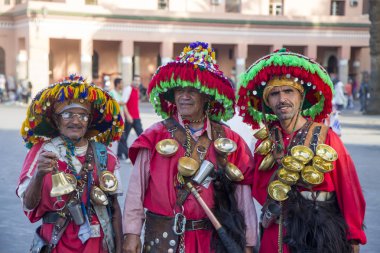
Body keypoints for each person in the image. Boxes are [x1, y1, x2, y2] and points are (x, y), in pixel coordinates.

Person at [122, 41, 257, 253]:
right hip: (162, 239)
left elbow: (242, 196)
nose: (184, 96)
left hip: (212, 241)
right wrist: (131, 233)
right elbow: (135, 189)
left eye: (192, 90)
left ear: (206, 95)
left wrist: (249, 242)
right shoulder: (154, 136)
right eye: (180, 90)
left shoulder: (229, 140)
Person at [237, 49, 366, 253]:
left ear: (301, 96)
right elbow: (255, 187)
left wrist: (353, 238)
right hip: (276, 234)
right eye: (274, 94)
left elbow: (348, 189)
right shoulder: (265, 143)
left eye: (289, 91)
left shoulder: (326, 137)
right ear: (267, 103)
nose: (282, 99)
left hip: (318, 233)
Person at [16, 74, 125, 253]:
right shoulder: (41, 152)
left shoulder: (105, 155)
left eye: (83, 116)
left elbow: (114, 208)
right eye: (67, 114)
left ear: (89, 121)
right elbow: (28, 205)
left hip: (98, 246)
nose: (75, 121)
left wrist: (120, 247)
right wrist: (39, 175)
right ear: (56, 120)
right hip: (56, 243)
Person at [119, 75, 143, 161]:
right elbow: (123, 103)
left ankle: (120, 153)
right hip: (130, 118)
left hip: (136, 117)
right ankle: (124, 154)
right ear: (132, 81)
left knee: (142, 135)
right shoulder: (128, 89)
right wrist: (128, 115)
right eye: (135, 80)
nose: (137, 82)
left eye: (138, 81)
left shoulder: (137, 90)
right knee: (124, 136)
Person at [109, 77, 129, 161]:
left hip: (121, 119)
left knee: (121, 138)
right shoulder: (112, 93)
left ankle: (119, 155)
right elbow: (109, 104)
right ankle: (128, 156)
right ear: (117, 84)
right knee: (122, 138)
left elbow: (123, 105)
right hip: (115, 119)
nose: (122, 85)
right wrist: (118, 103)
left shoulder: (120, 93)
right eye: (121, 83)